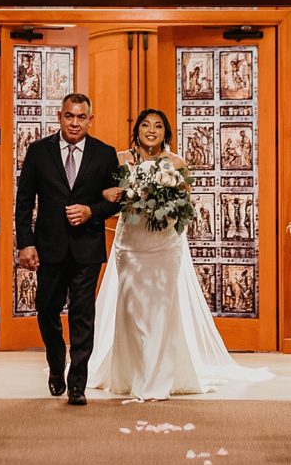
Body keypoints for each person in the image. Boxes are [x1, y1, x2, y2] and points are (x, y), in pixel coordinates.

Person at [88, 108, 272, 401]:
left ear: (166, 132)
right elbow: (109, 197)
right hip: (131, 244)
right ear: (136, 130)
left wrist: (166, 203)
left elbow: (185, 202)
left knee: (162, 308)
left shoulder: (176, 163)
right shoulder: (122, 160)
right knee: (132, 308)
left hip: (164, 245)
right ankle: (132, 373)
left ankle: (158, 378)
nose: (151, 130)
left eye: (158, 126)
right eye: (145, 125)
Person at [15, 93, 122, 406]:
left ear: (90, 119)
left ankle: (78, 382)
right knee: (47, 309)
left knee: (82, 314)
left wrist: (91, 211)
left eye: (81, 117)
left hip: (87, 248)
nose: (75, 123)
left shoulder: (105, 154)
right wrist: (26, 243)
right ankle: (55, 362)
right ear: (59, 117)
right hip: (50, 247)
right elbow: (24, 203)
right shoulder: (38, 152)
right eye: (69, 116)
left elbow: (115, 199)